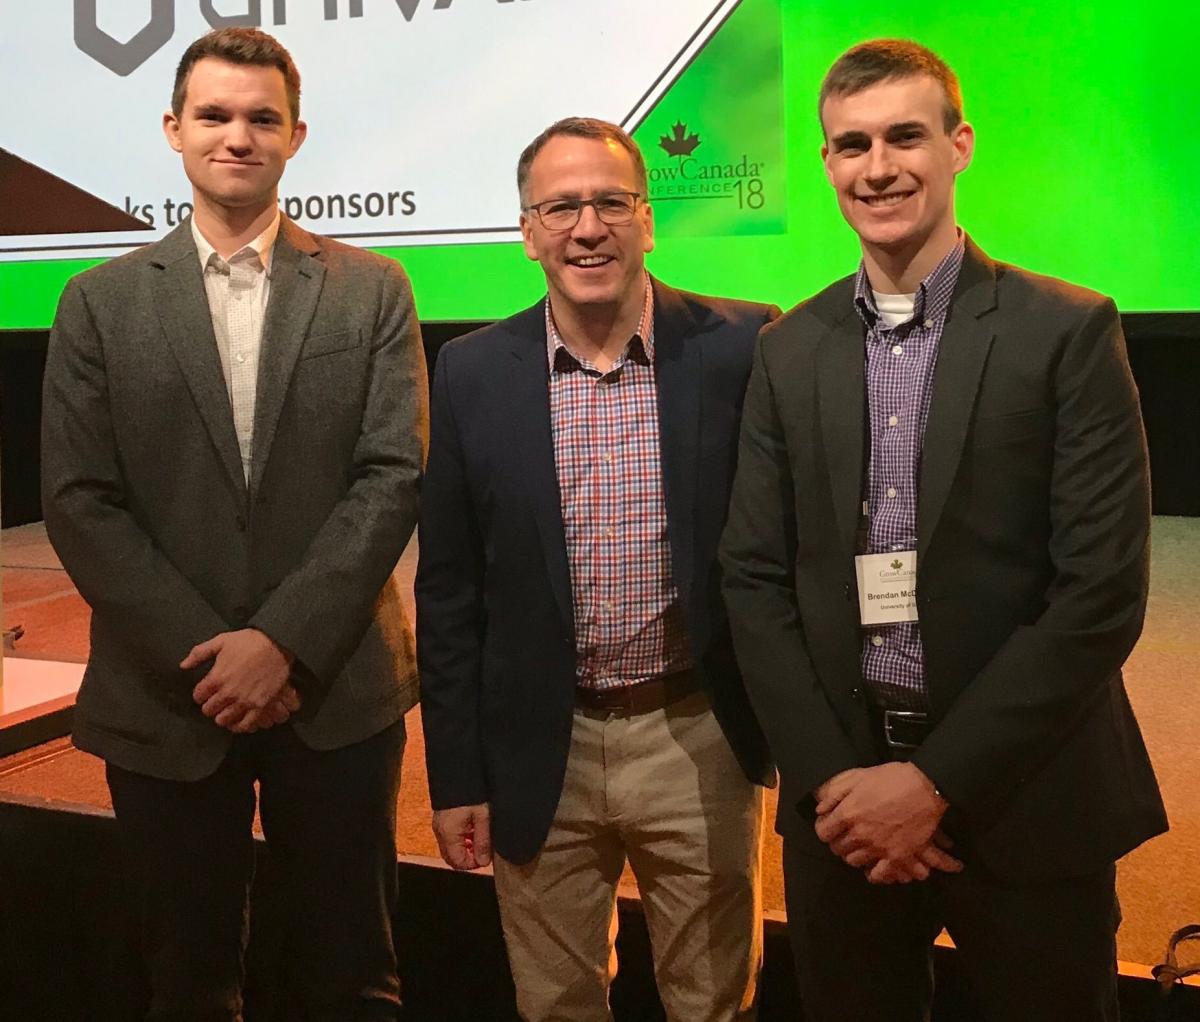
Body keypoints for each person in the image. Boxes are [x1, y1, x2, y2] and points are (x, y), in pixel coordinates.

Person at [719, 38, 1167, 1022]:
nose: (878, 167)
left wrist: (930, 784)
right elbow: (752, 578)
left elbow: (1098, 594)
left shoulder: (1067, 330)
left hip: (1026, 795)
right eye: (851, 144)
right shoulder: (789, 349)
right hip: (845, 812)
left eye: (905, 136)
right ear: (828, 164)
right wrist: (841, 782)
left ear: (959, 144)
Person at [41, 27, 428, 1021]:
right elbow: (82, 499)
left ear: (296, 135)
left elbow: (391, 473)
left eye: (262, 118)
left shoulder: (374, 287)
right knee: (189, 983)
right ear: (174, 129)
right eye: (214, 115)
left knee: (352, 979)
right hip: (168, 697)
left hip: (336, 688)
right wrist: (215, 656)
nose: (237, 136)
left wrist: (283, 643)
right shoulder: (96, 302)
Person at [416, 117, 777, 1021]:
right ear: (528, 232)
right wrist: (456, 775)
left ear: (648, 220)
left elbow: (784, 556)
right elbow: (450, 591)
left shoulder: (741, 347)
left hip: (696, 734)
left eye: (610, 202)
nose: (587, 227)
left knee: (714, 1003)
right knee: (557, 1004)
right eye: (561, 207)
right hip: (543, 743)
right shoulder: (468, 372)